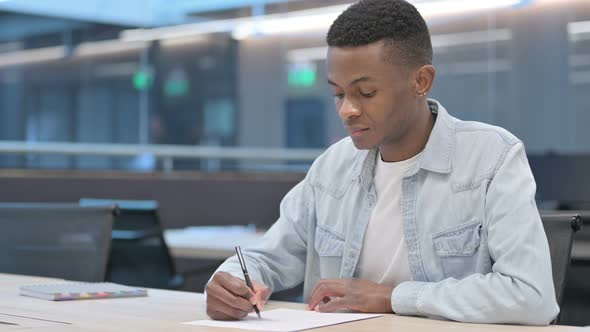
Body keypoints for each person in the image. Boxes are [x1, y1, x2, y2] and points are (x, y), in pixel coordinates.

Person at [205, 0, 559, 325]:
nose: (347, 110)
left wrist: (392, 297)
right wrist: (233, 280)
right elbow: (266, 258)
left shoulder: (491, 158)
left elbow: (532, 296)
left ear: (421, 81)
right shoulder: (332, 168)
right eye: (337, 93)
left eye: (366, 93)